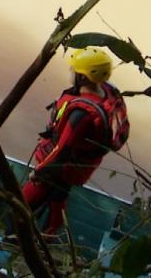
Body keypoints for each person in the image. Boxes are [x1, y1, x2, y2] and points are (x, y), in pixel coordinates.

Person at [21, 47, 130, 235]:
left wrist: (39, 172)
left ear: (84, 77)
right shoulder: (106, 91)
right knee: (59, 195)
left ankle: (12, 238)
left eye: (74, 70)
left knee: (22, 205)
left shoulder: (82, 115)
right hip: (78, 165)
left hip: (60, 167)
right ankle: (50, 235)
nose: (71, 72)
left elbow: (61, 152)